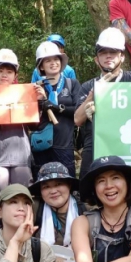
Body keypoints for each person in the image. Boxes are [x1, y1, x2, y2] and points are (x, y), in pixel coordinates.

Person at [73, 28, 131, 179]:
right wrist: (95, 93)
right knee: (88, 194)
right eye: (103, 52)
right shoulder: (88, 86)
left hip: (129, 144)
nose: (108, 56)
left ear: (122, 57)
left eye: (113, 52)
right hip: (96, 145)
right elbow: (77, 119)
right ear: (96, 59)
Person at [0, 49, 33, 198]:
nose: (4, 75)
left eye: (9, 71)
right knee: (3, 198)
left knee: (21, 197)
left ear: (15, 75)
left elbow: (34, 125)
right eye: (0, 71)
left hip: (21, 153)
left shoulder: (25, 94)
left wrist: (41, 101)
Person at [30, 41, 81, 179]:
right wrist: (40, 102)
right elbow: (30, 123)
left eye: (56, 59)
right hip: (42, 146)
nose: (53, 63)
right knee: (43, 185)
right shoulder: (35, 88)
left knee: (67, 183)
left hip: (64, 145)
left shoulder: (72, 84)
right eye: (48, 61)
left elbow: (77, 110)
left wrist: (55, 107)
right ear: (41, 66)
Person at [30, 162, 81, 248]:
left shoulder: (85, 211)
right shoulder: (33, 208)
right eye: (46, 187)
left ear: (69, 185)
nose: (53, 191)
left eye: (58, 184)